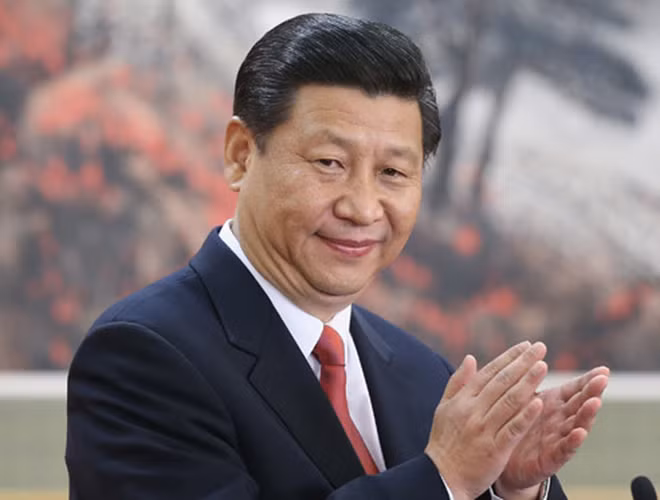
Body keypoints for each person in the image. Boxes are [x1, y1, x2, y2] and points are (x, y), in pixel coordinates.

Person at [65, 13, 609, 500]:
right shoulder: (142, 356)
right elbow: (443, 480)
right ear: (240, 155)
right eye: (330, 163)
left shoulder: (423, 373)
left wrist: (507, 489)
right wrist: (442, 480)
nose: (362, 207)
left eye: (392, 172)